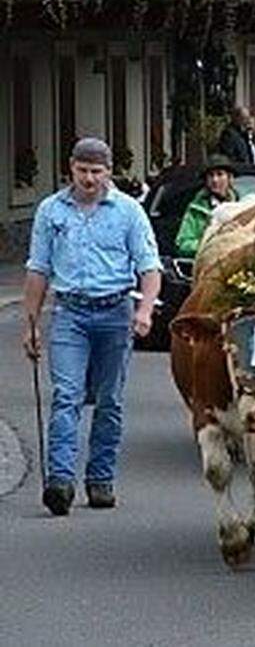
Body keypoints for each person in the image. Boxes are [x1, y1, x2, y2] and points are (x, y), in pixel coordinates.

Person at [22, 138, 162, 516]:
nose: (89, 178)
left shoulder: (129, 212)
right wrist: (31, 323)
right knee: (66, 396)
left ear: (109, 172)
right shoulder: (51, 211)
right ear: (70, 168)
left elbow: (149, 267)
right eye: (83, 170)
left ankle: (100, 479)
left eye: (96, 171)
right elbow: (38, 268)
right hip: (69, 313)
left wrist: (145, 311)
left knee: (109, 401)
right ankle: (60, 482)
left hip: (115, 313)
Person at [175, 155, 239, 257]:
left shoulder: (242, 205)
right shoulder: (196, 208)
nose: (215, 180)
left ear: (230, 178)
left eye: (220, 174)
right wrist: (210, 244)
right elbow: (182, 244)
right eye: (211, 175)